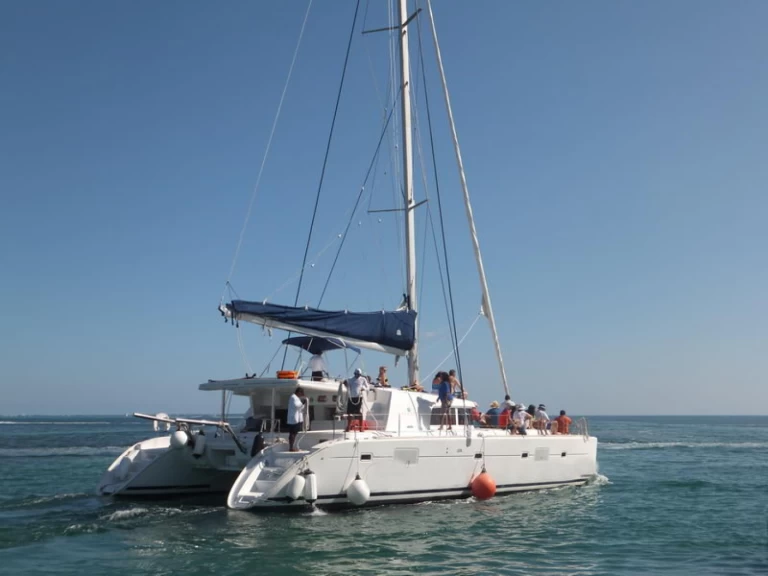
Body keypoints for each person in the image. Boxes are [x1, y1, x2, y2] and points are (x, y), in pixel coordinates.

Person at [287, 387, 306, 451]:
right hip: (294, 419)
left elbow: (300, 407)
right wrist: (303, 403)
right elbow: (297, 406)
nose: (302, 395)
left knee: (294, 433)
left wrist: (302, 404)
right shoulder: (293, 397)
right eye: (302, 393)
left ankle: (293, 446)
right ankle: (291, 447)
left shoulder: (296, 398)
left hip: (297, 418)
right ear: (299, 392)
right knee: (292, 433)